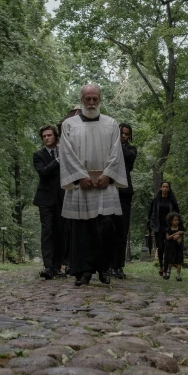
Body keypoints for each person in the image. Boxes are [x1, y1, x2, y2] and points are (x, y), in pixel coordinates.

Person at [60, 83, 128, 287]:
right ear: (81, 100)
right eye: (87, 98)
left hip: (104, 185)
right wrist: (80, 176)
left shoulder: (111, 124)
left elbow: (116, 152)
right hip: (82, 185)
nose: (91, 102)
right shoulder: (69, 124)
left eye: (94, 99)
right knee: (81, 229)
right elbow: (66, 153)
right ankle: (82, 271)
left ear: (100, 99)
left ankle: (103, 268)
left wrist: (108, 175)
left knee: (105, 227)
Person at [33, 125, 65, 280]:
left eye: (49, 135)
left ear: (55, 136)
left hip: (61, 197)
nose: (46, 138)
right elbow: (43, 172)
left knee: (59, 231)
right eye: (44, 136)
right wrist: (58, 160)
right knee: (47, 232)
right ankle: (48, 266)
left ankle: (58, 266)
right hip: (45, 199)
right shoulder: (38, 155)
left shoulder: (64, 152)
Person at [112, 123, 137, 279]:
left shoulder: (131, 150)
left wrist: (114, 142)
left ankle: (118, 266)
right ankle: (106, 264)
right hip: (108, 189)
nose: (124, 136)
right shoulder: (109, 146)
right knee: (108, 227)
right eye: (121, 133)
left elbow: (128, 157)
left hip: (124, 192)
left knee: (122, 229)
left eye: (127, 134)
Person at [147, 181, 180, 277]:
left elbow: (177, 215)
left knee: (167, 248)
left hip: (168, 228)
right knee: (160, 247)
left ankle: (165, 270)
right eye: (163, 187)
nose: (165, 188)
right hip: (158, 227)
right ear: (161, 188)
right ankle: (161, 266)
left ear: (169, 189)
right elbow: (150, 214)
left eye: (167, 187)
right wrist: (148, 227)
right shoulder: (156, 201)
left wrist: (179, 228)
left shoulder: (172, 202)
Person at [163, 211, 185, 281]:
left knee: (179, 262)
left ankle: (178, 275)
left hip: (178, 247)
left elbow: (182, 237)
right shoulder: (168, 229)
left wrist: (179, 235)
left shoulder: (180, 229)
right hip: (171, 247)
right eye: (175, 220)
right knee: (170, 261)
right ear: (171, 221)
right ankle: (168, 272)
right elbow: (168, 237)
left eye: (178, 220)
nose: (177, 221)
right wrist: (174, 234)